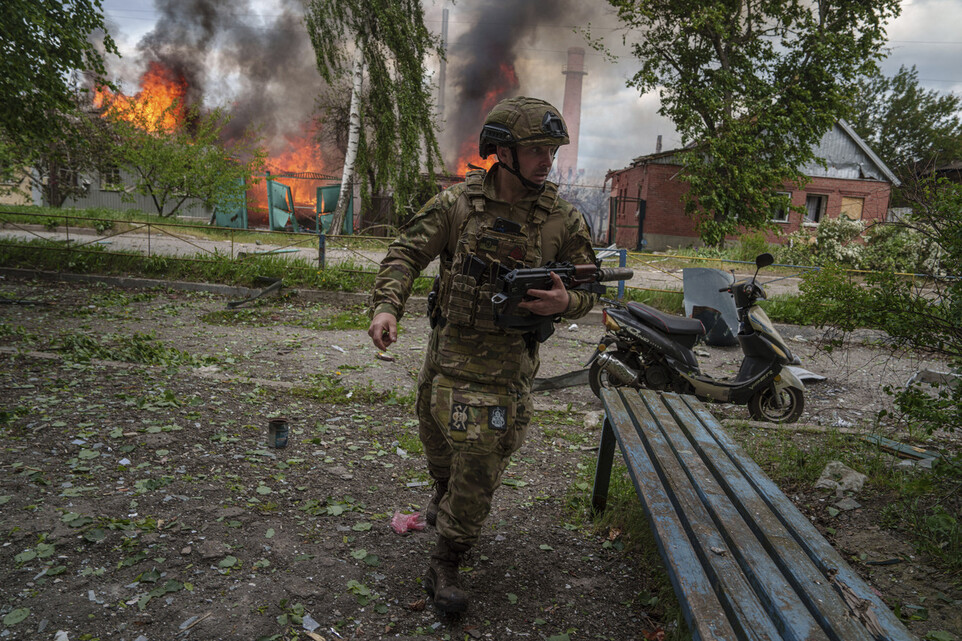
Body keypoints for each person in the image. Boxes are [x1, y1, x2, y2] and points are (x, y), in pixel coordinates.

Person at [367, 96, 597, 613]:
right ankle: (442, 493)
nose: (547, 161)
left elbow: (590, 288)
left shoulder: (562, 219)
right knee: (437, 442)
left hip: (505, 370)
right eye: (537, 150)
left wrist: (566, 302)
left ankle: (447, 560)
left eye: (552, 151)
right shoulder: (458, 204)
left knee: (479, 460)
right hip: (446, 357)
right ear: (503, 151)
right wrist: (386, 307)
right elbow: (406, 253)